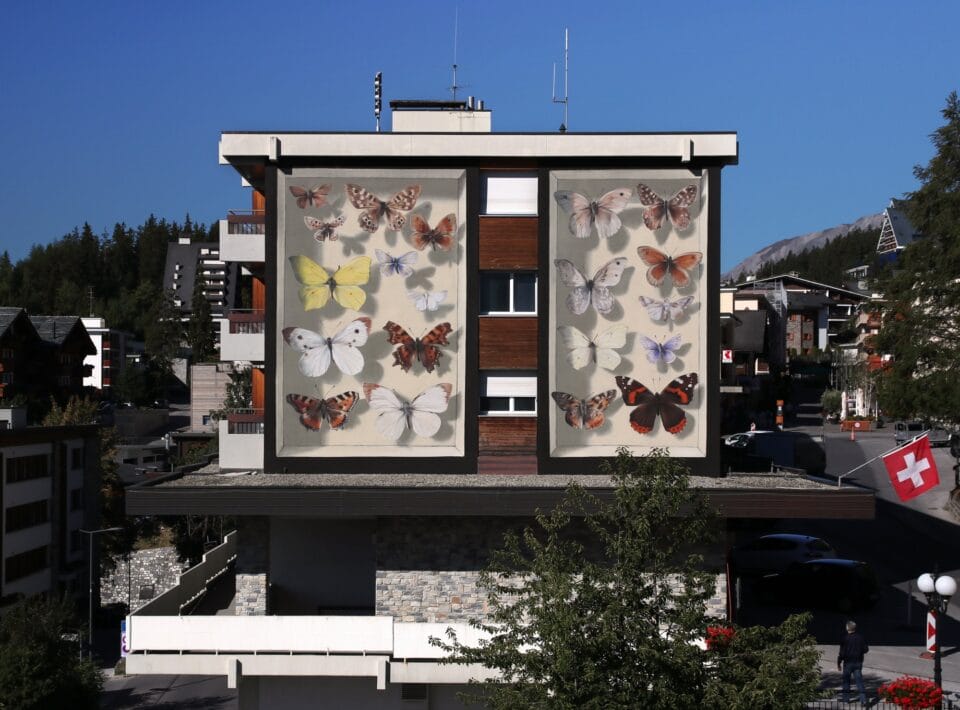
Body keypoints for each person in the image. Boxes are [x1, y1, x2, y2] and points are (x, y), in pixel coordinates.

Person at [838, 620, 869, 704]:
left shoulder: (845, 638)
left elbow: (842, 653)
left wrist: (839, 663)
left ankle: (846, 699)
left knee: (846, 682)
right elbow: (866, 649)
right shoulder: (860, 637)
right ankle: (863, 700)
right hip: (858, 663)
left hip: (847, 663)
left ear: (847, 628)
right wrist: (859, 651)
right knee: (859, 681)